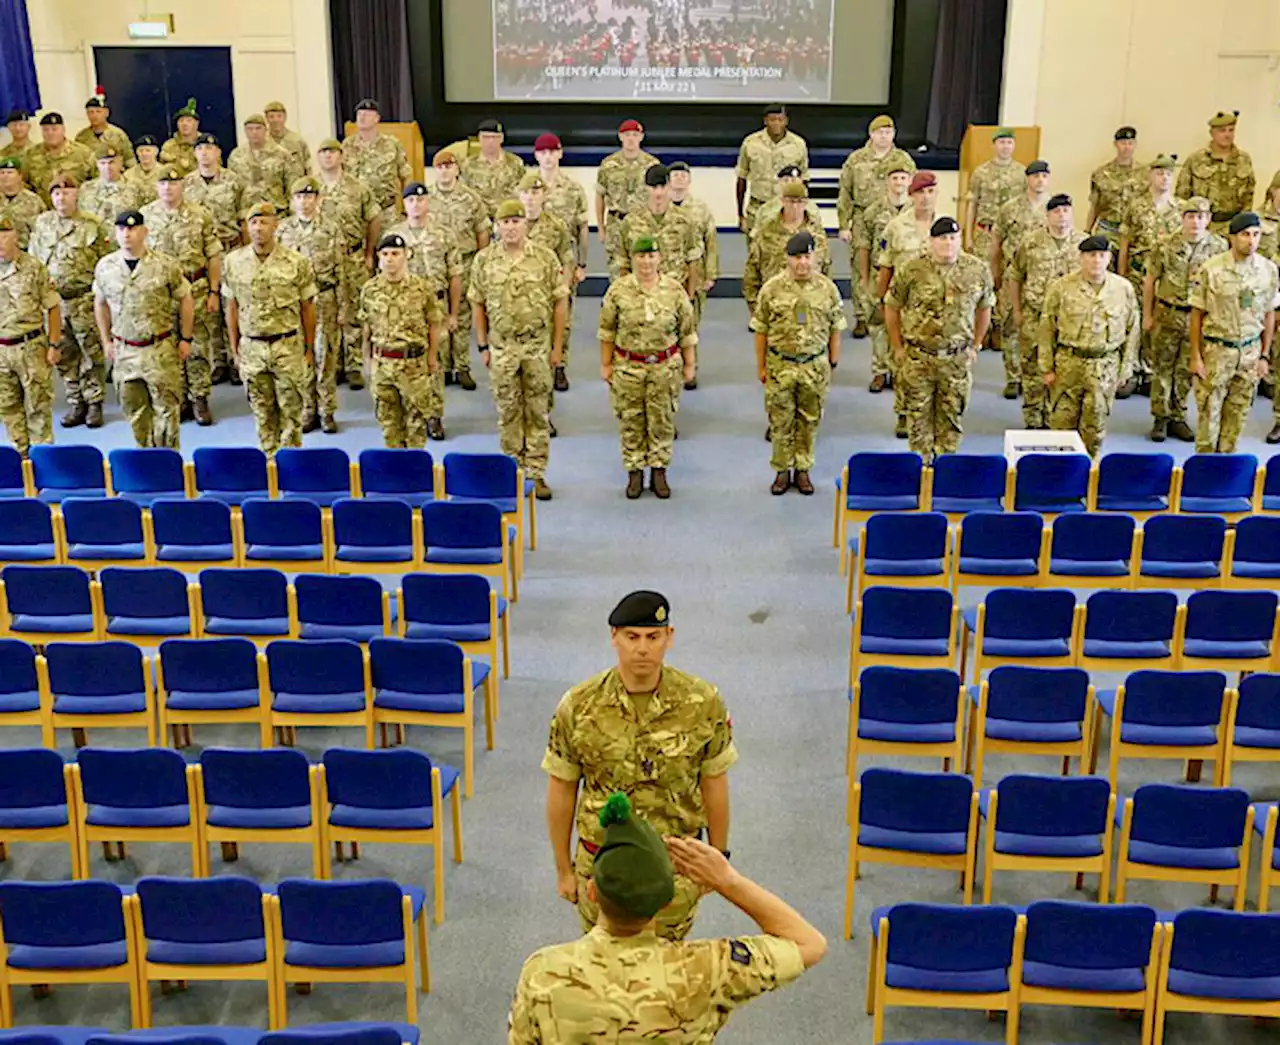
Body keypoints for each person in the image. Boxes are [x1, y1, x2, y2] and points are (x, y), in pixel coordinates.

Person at [510, 791, 824, 1045]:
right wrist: (728, 881)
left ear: (592, 891)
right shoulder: (707, 970)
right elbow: (810, 943)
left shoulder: (542, 972)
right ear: (665, 903)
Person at [542, 591, 737, 940]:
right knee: (603, 977)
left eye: (653, 637)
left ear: (669, 637)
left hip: (675, 868)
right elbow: (562, 787)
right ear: (613, 637)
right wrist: (563, 870)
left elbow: (714, 782)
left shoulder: (702, 702)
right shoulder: (579, 705)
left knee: (669, 975)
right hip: (603, 867)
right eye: (632, 637)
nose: (642, 648)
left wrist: (718, 859)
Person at [470, 199, 565, 501]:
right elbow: (477, 304)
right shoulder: (484, 260)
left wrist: (557, 346)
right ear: (496, 227)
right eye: (505, 222)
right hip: (502, 347)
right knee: (508, 410)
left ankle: (536, 474)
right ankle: (512, 471)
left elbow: (560, 303)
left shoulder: (545, 258)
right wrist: (483, 344)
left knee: (537, 410)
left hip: (537, 345)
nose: (510, 227)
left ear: (525, 223)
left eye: (516, 221)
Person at [884, 216, 994, 462]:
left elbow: (985, 308)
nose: (948, 244)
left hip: (956, 359)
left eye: (953, 238)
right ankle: (921, 477)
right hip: (919, 358)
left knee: (951, 421)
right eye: (942, 239)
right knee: (918, 423)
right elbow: (891, 307)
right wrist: (897, 346)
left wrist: (976, 344)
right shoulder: (912, 270)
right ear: (931, 241)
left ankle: (945, 476)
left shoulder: (976, 270)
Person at [598, 237, 697, 500]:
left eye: (651, 256)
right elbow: (607, 331)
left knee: (662, 420)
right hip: (628, 366)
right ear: (633, 259)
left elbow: (687, 332)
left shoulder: (674, 290)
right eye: (641, 257)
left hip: (665, 366)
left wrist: (690, 364)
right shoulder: (618, 291)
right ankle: (634, 472)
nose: (646, 262)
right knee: (631, 420)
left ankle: (659, 471)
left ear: (659, 259)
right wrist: (606, 364)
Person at [221, 202, 318, 456]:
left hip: (287, 345)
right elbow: (231, 307)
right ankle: (269, 466)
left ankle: (292, 468)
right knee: (262, 412)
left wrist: (308, 348)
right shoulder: (233, 262)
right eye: (253, 222)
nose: (258, 228)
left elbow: (307, 308)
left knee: (291, 412)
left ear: (275, 226)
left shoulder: (296, 262)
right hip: (252, 347)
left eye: (264, 222)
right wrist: (235, 346)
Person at [92, 210, 193, 448]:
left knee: (167, 413)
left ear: (144, 232)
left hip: (159, 348)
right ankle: (145, 463)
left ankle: (168, 467)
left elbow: (185, 298)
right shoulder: (105, 267)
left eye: (133, 228)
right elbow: (100, 303)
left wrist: (186, 337)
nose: (127, 234)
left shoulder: (165, 264)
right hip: (125, 350)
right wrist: (106, 341)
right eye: (122, 229)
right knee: (135, 412)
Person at [754, 230, 844, 495]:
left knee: (809, 419)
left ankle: (803, 469)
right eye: (796, 258)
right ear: (787, 259)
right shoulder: (771, 289)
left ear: (814, 257)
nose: (802, 263)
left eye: (807, 256)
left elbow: (836, 327)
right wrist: (761, 366)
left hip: (814, 364)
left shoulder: (827, 289)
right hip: (780, 364)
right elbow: (761, 330)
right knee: (780, 420)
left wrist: (832, 360)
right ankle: (782, 470)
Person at [1038, 236, 1140, 457]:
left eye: (1101, 256)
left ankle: (1088, 481)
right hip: (1068, 364)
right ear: (1081, 258)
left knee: (1095, 428)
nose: (1096, 261)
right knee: (1061, 427)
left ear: (1109, 258)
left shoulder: (1123, 289)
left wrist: (1126, 369)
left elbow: (1133, 331)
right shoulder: (1062, 288)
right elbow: (1047, 328)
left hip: (1105, 366)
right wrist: (1046, 367)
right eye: (1091, 256)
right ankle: (1059, 482)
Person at [1188, 212, 1279, 450]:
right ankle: (1204, 472)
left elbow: (1270, 313)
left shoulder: (1268, 270)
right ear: (1232, 237)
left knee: (1237, 419)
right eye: (1245, 235)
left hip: (1249, 352)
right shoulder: (1211, 269)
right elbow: (1197, 313)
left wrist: (1264, 355)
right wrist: (1196, 357)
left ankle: (1225, 474)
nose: (1251, 241)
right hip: (1216, 351)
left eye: (1256, 235)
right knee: (1209, 419)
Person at [28, 174, 110, 429]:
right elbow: (34, 260)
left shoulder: (92, 224)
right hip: (55, 303)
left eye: (67, 192)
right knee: (64, 354)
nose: (61, 197)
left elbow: (105, 262)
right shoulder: (42, 224)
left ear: (76, 195)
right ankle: (76, 401)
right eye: (56, 193)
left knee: (91, 351)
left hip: (85, 298)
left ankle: (94, 402)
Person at [142, 168, 223, 426]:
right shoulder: (145, 216)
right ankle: (179, 400)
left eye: (173, 182)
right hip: (161, 294)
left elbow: (213, 255)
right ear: (156, 186)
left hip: (195, 286)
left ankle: (199, 397)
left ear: (182, 185)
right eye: (163, 182)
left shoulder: (200, 215)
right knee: (167, 347)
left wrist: (213, 290)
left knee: (197, 345)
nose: (168, 187)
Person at [1144, 197, 1227, 443]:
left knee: (1184, 369)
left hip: (1198, 318)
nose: (1195, 222)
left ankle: (1178, 415)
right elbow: (1150, 280)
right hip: (1167, 312)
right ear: (1182, 219)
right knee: (1161, 368)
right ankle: (1160, 417)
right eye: (1190, 216)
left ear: (1209, 220)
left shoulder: (1218, 248)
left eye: (1201, 217)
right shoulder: (1165, 245)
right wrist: (1147, 315)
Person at [389, 181, 461, 441]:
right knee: (408, 360)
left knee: (435, 362)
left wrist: (453, 313)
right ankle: (412, 412)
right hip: (405, 308)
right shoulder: (395, 235)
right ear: (404, 204)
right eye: (410, 201)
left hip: (437, 306)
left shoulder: (444, 234)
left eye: (420, 200)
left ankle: (434, 416)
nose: (416, 205)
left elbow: (454, 276)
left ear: (428, 202)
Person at [1007, 193, 1084, 429]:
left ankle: (1056, 417)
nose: (1061, 216)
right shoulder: (1030, 243)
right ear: (1047, 215)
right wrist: (1017, 310)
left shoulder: (1083, 244)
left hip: (1069, 320)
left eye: (1066, 211)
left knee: (1062, 367)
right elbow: (1015, 276)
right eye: (1056, 212)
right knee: (1032, 366)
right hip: (1035, 315)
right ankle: (1033, 415)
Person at [358, 232, 441, 449]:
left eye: (395, 253)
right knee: (389, 427)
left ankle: (416, 479)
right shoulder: (370, 290)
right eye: (384, 254)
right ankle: (395, 479)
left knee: (416, 427)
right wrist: (366, 360)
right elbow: (366, 328)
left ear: (406, 255)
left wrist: (432, 357)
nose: (390, 259)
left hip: (413, 365)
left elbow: (433, 323)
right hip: (383, 364)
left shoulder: (422, 288)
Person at [278, 176, 347, 435]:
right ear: (292, 200)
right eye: (299, 197)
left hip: (325, 298)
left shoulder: (330, 229)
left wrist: (343, 306)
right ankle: (307, 408)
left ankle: (326, 410)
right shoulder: (283, 231)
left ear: (318, 200)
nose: (304, 202)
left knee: (326, 355)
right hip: (295, 303)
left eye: (309, 197)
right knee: (301, 355)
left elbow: (341, 269)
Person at [838, 115, 916, 339]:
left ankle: (896, 310)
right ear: (871, 134)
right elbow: (845, 193)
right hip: (864, 217)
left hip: (898, 216)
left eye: (888, 132)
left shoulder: (903, 159)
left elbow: (913, 188)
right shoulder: (856, 160)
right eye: (880, 132)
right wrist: (844, 224)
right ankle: (863, 315)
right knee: (860, 268)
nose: (884, 136)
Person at [876, 172, 939, 438]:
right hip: (905, 307)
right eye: (920, 192)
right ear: (911, 195)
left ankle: (931, 413)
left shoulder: (947, 227)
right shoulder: (896, 227)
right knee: (903, 361)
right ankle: (903, 413)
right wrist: (881, 302)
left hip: (938, 308)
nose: (925, 198)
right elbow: (886, 267)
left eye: (930, 192)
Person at [317, 137, 381, 393]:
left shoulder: (358, 188)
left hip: (352, 256)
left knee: (354, 310)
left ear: (341, 156)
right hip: (323, 263)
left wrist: (368, 251)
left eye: (333, 152)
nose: (328, 157)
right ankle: (334, 364)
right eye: (323, 153)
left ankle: (354, 364)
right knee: (328, 314)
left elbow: (373, 219)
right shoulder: (311, 189)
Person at [184, 133, 246, 386]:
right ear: (195, 154)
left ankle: (236, 358)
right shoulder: (186, 184)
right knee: (210, 311)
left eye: (210, 147)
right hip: (203, 254)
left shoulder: (234, 181)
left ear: (219, 152)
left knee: (233, 304)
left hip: (231, 250)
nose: (205, 153)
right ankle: (219, 360)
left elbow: (243, 219)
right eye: (201, 148)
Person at [426, 149, 489, 392]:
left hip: (465, 261)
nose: (445, 171)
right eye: (440, 167)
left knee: (462, 316)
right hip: (437, 264)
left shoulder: (471, 198)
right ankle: (441, 366)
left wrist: (481, 260)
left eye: (449, 166)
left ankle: (462, 366)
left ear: (457, 169)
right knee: (439, 316)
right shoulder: (427, 198)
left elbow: (482, 230)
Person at [990, 159, 1052, 400]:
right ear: (1027, 179)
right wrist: (994, 272)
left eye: (1044, 176)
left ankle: (1037, 374)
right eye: (1035, 176)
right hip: (1012, 276)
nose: (1040, 180)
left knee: (1042, 328)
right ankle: (1013, 376)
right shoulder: (1010, 208)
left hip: (1044, 277)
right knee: (1010, 325)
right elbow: (997, 243)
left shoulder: (1054, 208)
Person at [0, 215, 60, 456]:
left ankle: (43, 461)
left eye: (4, 235)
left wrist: (54, 344)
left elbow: (53, 306)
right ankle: (21, 458)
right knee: (8, 408)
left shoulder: (34, 267)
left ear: (15, 236)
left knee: (39, 407)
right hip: (1, 352)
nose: (0, 242)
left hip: (31, 345)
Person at [535, 133, 588, 391]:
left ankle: (559, 365)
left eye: (552, 152)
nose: (547, 157)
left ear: (560, 154)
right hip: (532, 266)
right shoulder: (526, 187)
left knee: (562, 317)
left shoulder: (572, 189)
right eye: (542, 153)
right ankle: (537, 365)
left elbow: (581, 227)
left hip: (563, 262)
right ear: (536, 156)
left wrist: (582, 264)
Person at [858, 163, 911, 394]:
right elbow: (863, 246)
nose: (899, 183)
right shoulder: (873, 211)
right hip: (879, 275)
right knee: (878, 324)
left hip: (908, 279)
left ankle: (900, 371)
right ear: (887, 182)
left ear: (909, 182)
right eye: (895, 178)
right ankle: (880, 372)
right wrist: (863, 277)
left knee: (906, 326)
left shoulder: (916, 212)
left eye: (903, 178)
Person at [744, 182, 830, 320]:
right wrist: (756, 308)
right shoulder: (767, 231)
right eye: (790, 201)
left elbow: (826, 269)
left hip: (811, 307)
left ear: (806, 203)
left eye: (799, 201)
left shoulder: (816, 234)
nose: (795, 206)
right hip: (775, 306)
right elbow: (752, 270)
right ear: (782, 201)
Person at [669, 161, 718, 387]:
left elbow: (711, 243)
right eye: (675, 175)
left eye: (683, 175)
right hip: (668, 277)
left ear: (689, 180)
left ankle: (691, 368)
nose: (679, 178)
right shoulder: (662, 207)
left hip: (694, 275)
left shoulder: (700, 208)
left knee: (690, 324)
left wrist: (710, 274)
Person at [595, 119, 658, 280]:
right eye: (627, 135)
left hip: (642, 224)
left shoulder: (651, 164)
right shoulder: (608, 164)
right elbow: (600, 196)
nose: (631, 138)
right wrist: (601, 228)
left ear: (641, 137)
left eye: (635, 135)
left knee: (644, 270)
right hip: (616, 224)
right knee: (617, 272)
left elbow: (659, 195)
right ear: (620, 137)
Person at [1177, 111, 1255, 238]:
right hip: (1203, 226)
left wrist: (1241, 226)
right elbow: (1182, 196)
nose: (1227, 135)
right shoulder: (1196, 159)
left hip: (1233, 227)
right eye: (1222, 131)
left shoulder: (1244, 159)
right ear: (1212, 133)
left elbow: (1249, 194)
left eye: (1231, 130)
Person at [735, 103, 808, 234]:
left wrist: (802, 211)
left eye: (780, 119)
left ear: (786, 121)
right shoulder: (751, 143)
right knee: (755, 251)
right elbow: (741, 178)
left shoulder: (798, 145)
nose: (776, 124)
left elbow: (804, 181)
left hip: (786, 209)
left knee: (785, 251)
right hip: (757, 208)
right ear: (765, 121)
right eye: (772, 119)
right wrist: (740, 214)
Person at [342, 98, 412, 234]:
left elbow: (405, 175)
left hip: (386, 212)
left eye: (367, 114)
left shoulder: (392, 144)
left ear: (377, 118)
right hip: (358, 212)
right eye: (359, 114)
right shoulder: (347, 145)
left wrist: (406, 208)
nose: (362, 117)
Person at [1087, 126, 1145, 251]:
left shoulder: (1144, 174)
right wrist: (1087, 231)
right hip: (1108, 230)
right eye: (1123, 143)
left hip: (1134, 233)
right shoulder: (1101, 173)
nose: (1126, 147)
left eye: (1130, 143)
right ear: (1115, 144)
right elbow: (1094, 206)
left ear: (1135, 145)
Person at [228, 114, 298, 217]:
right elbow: (232, 189)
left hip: (276, 212)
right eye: (250, 129)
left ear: (266, 130)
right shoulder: (236, 156)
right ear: (245, 132)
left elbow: (292, 186)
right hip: (246, 213)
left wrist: (293, 214)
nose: (254, 132)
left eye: (258, 128)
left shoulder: (281, 154)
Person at [459, 119, 526, 221]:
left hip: (508, 219)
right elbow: (463, 194)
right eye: (486, 137)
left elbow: (523, 192)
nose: (490, 141)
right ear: (479, 139)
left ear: (502, 138)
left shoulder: (515, 163)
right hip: (479, 221)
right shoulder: (468, 165)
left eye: (495, 137)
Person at [24, 114, 96, 206]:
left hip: (76, 211)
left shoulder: (82, 153)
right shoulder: (31, 154)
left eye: (54, 129)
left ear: (63, 130)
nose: (50, 133)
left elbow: (95, 182)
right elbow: (25, 184)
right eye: (46, 130)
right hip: (43, 212)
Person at [79, 144, 145, 227]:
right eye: (103, 163)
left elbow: (144, 217)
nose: (107, 167)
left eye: (111, 162)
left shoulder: (135, 187)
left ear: (120, 163)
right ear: (97, 165)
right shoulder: (86, 188)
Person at [749, 165, 823, 239]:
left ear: (801, 181)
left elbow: (818, 235)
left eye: (794, 180)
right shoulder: (765, 209)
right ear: (779, 182)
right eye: (786, 180)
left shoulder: (812, 208)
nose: (790, 183)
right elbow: (756, 235)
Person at [75, 96, 135, 168]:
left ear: (106, 113)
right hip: (91, 177)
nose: (94, 115)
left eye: (98, 111)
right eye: (91, 112)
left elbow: (129, 160)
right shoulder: (82, 137)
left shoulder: (118, 135)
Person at [0, 156, 45, 249]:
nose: (5, 176)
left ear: (20, 176)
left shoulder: (34, 201)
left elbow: (42, 232)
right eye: (2, 173)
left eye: (10, 172)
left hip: (24, 252)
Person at [263, 101, 310, 176]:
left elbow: (308, 166)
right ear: (266, 119)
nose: (276, 120)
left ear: (285, 117)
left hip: (294, 185)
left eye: (279, 116)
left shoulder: (297, 141)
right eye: (271, 117)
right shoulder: (261, 142)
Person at [160, 99, 202, 178]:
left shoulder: (205, 145)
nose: (184, 124)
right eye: (181, 121)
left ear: (196, 124)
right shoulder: (168, 146)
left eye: (189, 121)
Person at [124, 135, 162, 201]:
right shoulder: (128, 174)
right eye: (141, 151)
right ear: (137, 153)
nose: (144, 154)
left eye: (148, 150)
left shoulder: (164, 172)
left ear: (156, 152)